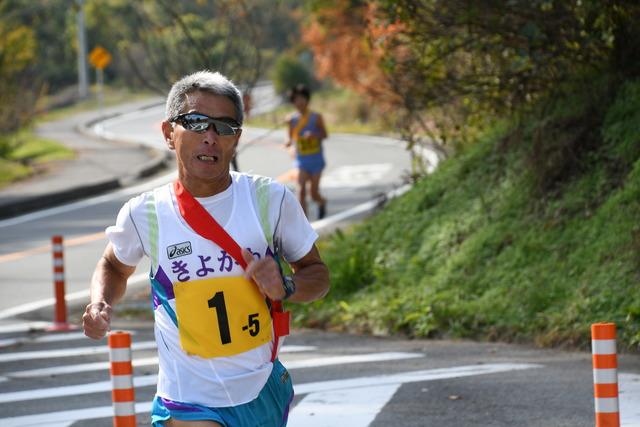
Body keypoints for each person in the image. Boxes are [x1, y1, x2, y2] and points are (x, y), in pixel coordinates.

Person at [83, 70, 330, 427]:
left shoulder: (269, 200)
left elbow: (318, 275)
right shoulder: (145, 213)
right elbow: (113, 267)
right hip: (187, 398)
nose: (210, 137)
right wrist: (99, 303)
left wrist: (286, 287)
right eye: (197, 123)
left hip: (260, 390)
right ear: (169, 133)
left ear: (236, 140)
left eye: (224, 127)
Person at [284, 84, 328, 219]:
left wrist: (314, 135)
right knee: (301, 191)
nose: (299, 102)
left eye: (302, 98)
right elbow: (290, 137)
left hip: (316, 160)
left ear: (307, 100)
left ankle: (322, 202)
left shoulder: (316, 117)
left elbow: (325, 134)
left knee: (313, 193)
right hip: (301, 160)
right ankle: (305, 225)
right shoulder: (292, 119)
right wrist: (289, 143)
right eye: (296, 99)